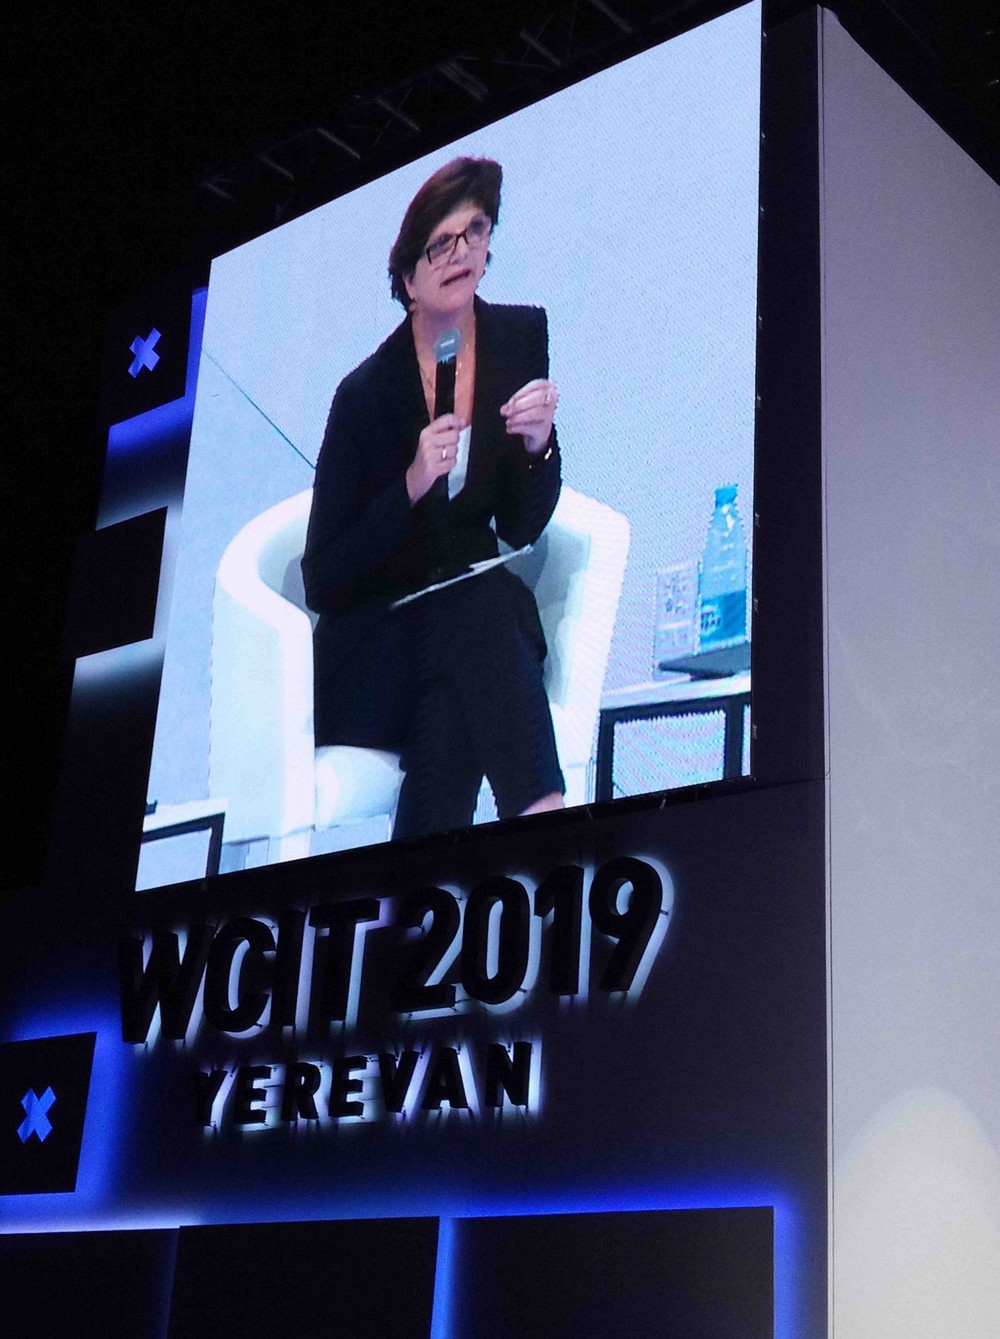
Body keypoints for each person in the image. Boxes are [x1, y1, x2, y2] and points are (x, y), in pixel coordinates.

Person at [301, 156, 565, 840]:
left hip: (466, 646)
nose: (462, 253)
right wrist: (411, 485)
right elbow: (323, 580)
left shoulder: (519, 337)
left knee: (455, 698)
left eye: (475, 231)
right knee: (484, 613)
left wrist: (539, 447)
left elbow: (521, 524)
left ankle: (415, 898)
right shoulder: (363, 396)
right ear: (407, 280)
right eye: (440, 243)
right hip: (376, 654)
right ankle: (548, 830)